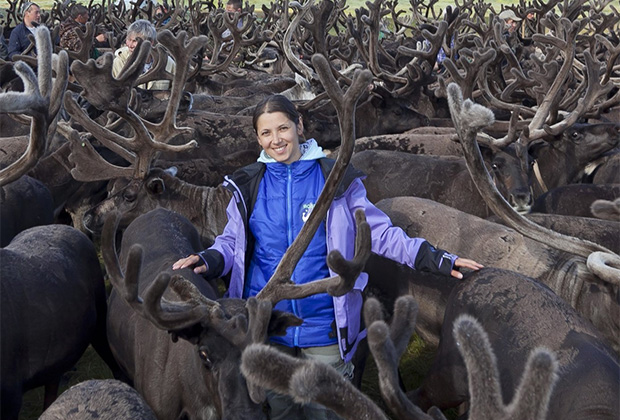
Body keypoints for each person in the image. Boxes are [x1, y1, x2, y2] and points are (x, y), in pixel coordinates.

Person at [172, 94, 483, 419]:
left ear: (299, 126)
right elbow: (231, 243)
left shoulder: (336, 180)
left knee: (326, 411)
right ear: (257, 138)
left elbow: (381, 233)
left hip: (324, 326)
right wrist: (208, 260)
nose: (276, 140)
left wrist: (437, 259)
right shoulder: (249, 186)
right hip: (267, 327)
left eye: (283, 128)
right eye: (266, 133)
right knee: (280, 411)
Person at [112, 19, 175, 90]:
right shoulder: (118, 62)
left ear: (150, 43)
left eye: (135, 41)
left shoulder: (168, 64)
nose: (130, 45)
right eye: (128, 40)